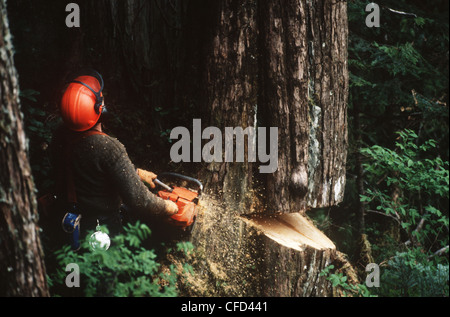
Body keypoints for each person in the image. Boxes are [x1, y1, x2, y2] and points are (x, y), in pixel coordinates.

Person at [49, 70, 178, 244]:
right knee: (103, 271)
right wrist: (168, 207)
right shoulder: (109, 148)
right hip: (101, 228)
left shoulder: (59, 135)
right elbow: (140, 201)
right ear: (97, 108)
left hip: (66, 220)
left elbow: (94, 168)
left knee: (73, 269)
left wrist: (136, 172)